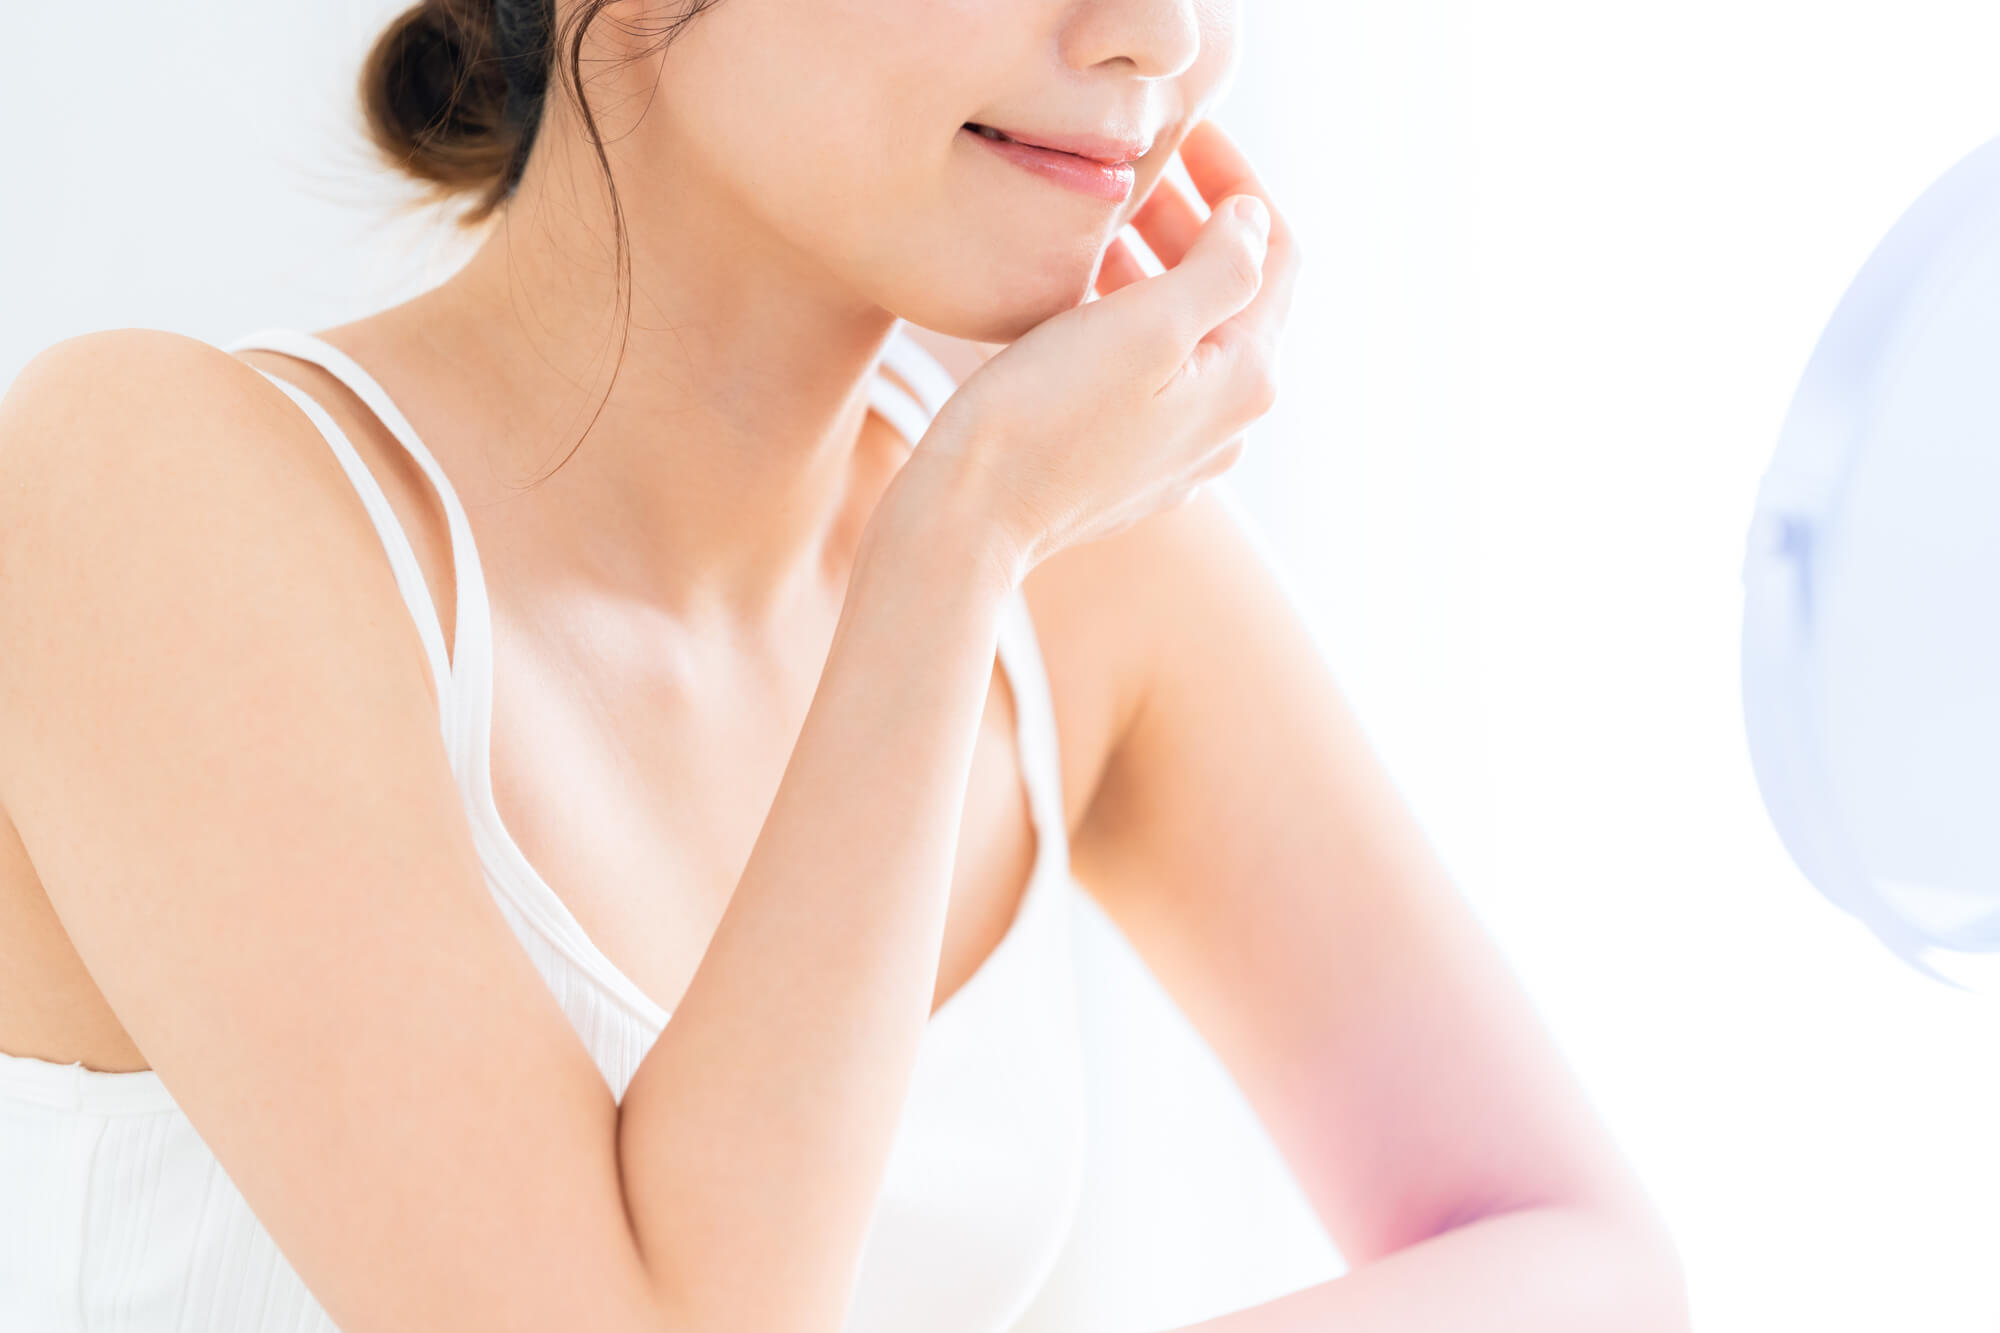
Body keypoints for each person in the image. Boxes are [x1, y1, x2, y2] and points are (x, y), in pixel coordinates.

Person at [0, 1, 1688, 1330]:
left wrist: (981, 522)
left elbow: (1586, 1259)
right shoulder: (146, 497)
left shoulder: (1083, 555)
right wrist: (956, 541)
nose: (1159, 34)